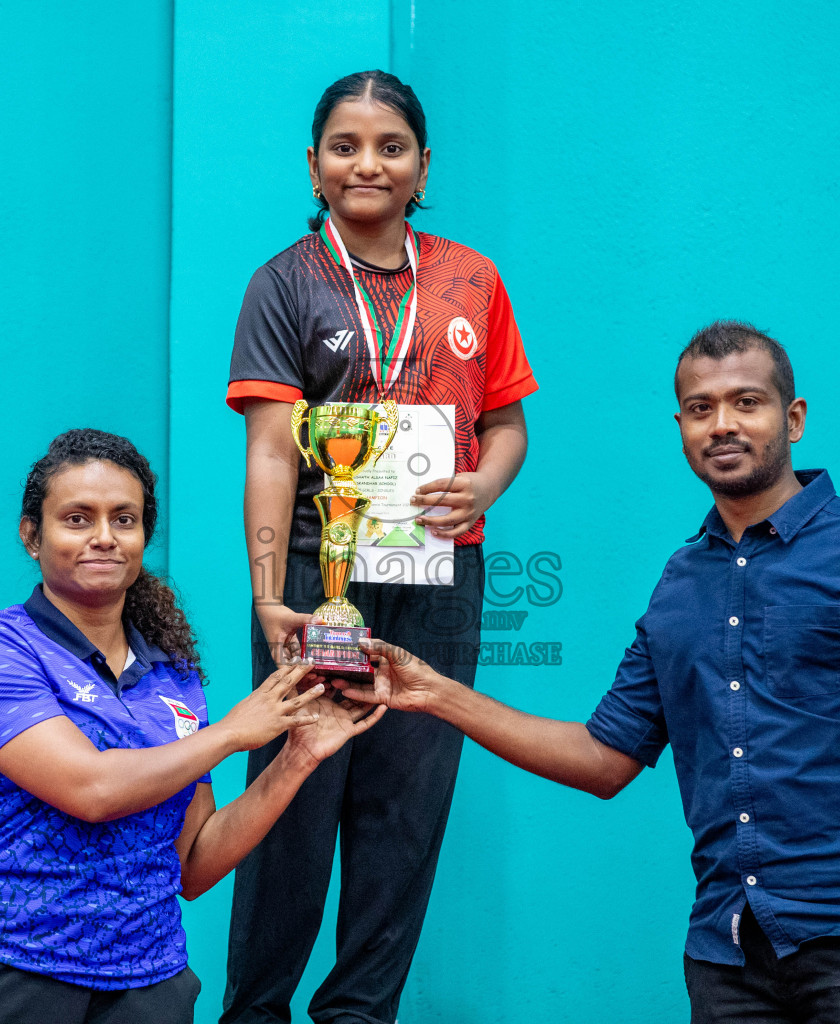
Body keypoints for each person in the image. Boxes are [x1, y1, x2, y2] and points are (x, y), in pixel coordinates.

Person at [341, 323, 840, 1024]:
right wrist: (433, 692)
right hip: (727, 959)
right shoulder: (681, 584)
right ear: (680, 427)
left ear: (793, 418)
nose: (724, 425)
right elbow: (603, 758)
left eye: (748, 402)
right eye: (702, 408)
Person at [222, 70, 538, 1024]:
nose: (368, 163)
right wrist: (272, 592)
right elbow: (274, 452)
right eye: (345, 146)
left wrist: (484, 482)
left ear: (423, 166)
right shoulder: (283, 283)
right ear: (314, 167)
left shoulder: (473, 278)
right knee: (295, 793)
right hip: (325, 570)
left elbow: (509, 424)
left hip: (442, 571)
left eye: (391, 146)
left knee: (409, 805)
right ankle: (255, 1013)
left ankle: (360, 1013)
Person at [0, 429, 383, 1024]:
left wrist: (297, 757)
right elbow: (92, 790)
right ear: (33, 536)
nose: (104, 537)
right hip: (5, 968)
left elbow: (193, 864)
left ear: (143, 535)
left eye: (123, 520)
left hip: (148, 983)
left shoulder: (173, 674)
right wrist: (234, 733)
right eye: (78, 519)